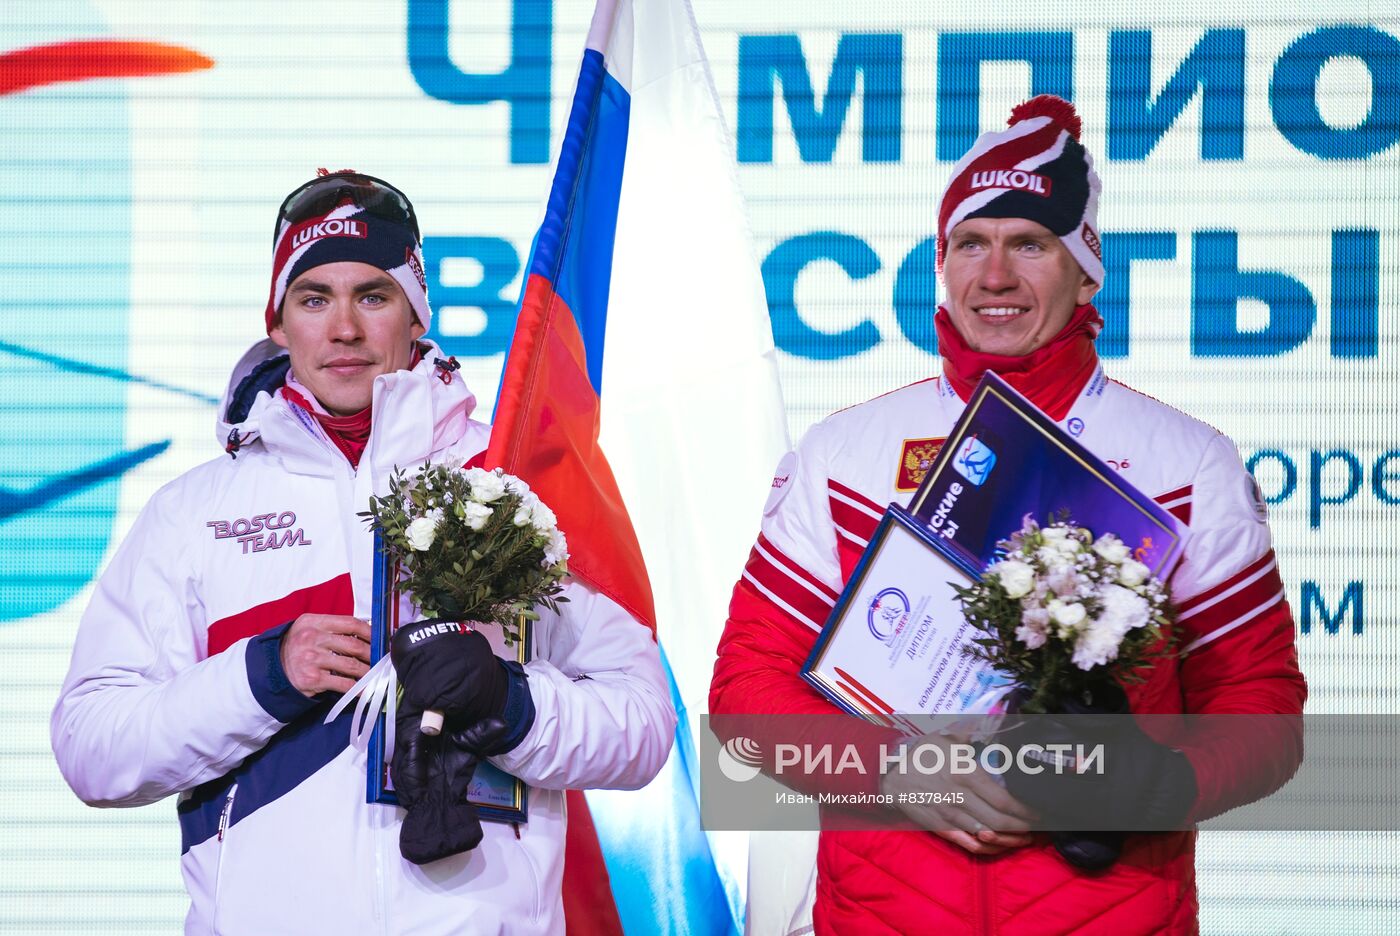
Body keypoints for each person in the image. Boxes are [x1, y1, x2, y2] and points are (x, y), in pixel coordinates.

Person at [710, 97, 1306, 934]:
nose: (994, 277)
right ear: (941, 265)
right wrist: (898, 772)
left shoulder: (1185, 463)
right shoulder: (845, 456)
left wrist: (1164, 785)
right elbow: (745, 697)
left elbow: (1260, 707)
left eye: (1030, 243)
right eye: (970, 244)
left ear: (1086, 266)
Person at [51, 170, 675, 935]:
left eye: (373, 296)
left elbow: (644, 726)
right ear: (278, 323)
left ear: (416, 315)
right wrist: (262, 677)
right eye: (314, 299)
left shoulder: (513, 486)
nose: (343, 328)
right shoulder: (193, 513)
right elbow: (90, 748)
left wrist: (511, 705)